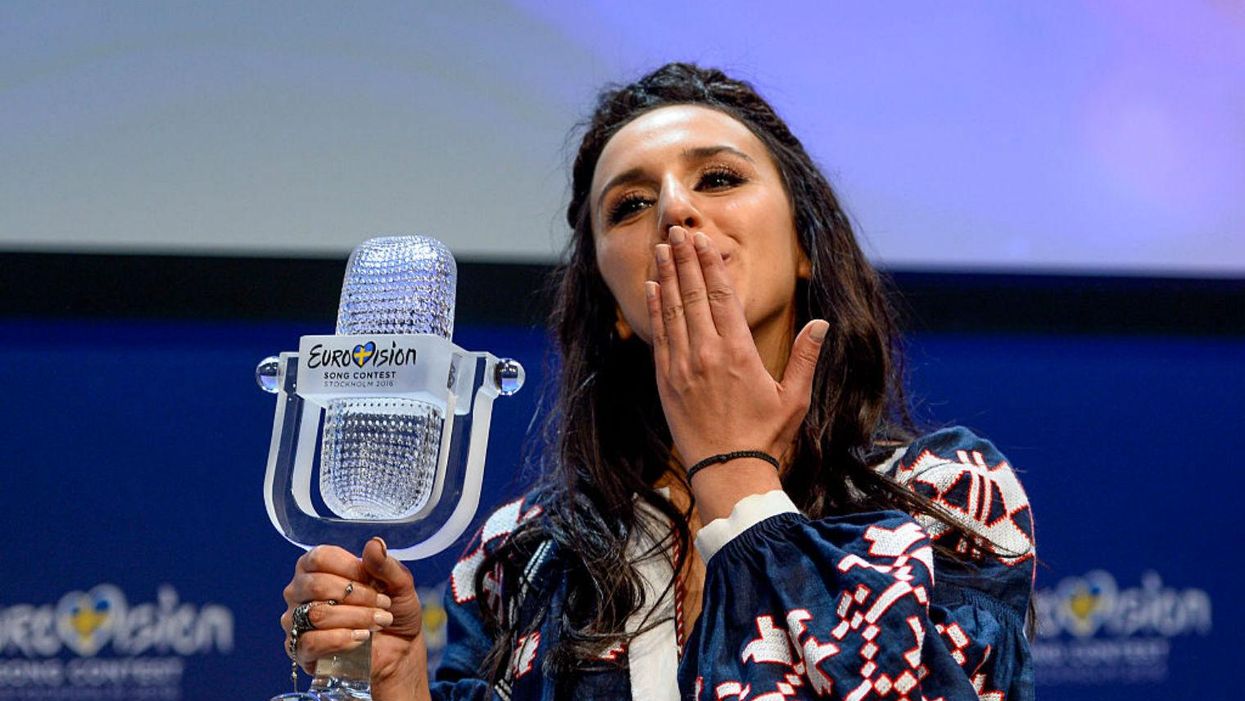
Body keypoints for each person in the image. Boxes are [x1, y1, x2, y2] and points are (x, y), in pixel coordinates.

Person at [280, 63, 1037, 700]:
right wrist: (397, 682)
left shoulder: (943, 493)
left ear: (805, 248)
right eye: (631, 205)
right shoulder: (525, 547)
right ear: (611, 302)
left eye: (716, 177)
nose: (675, 211)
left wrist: (737, 481)